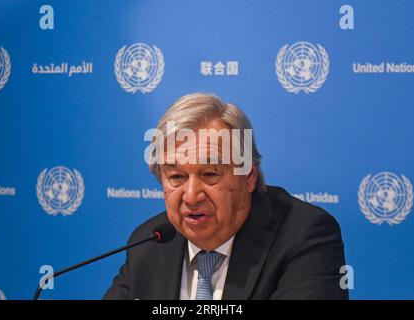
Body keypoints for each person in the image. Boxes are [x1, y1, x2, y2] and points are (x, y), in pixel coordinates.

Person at [103, 93, 348, 300]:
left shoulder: (304, 236)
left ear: (249, 176)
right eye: (176, 177)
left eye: (210, 174)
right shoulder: (148, 245)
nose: (191, 196)